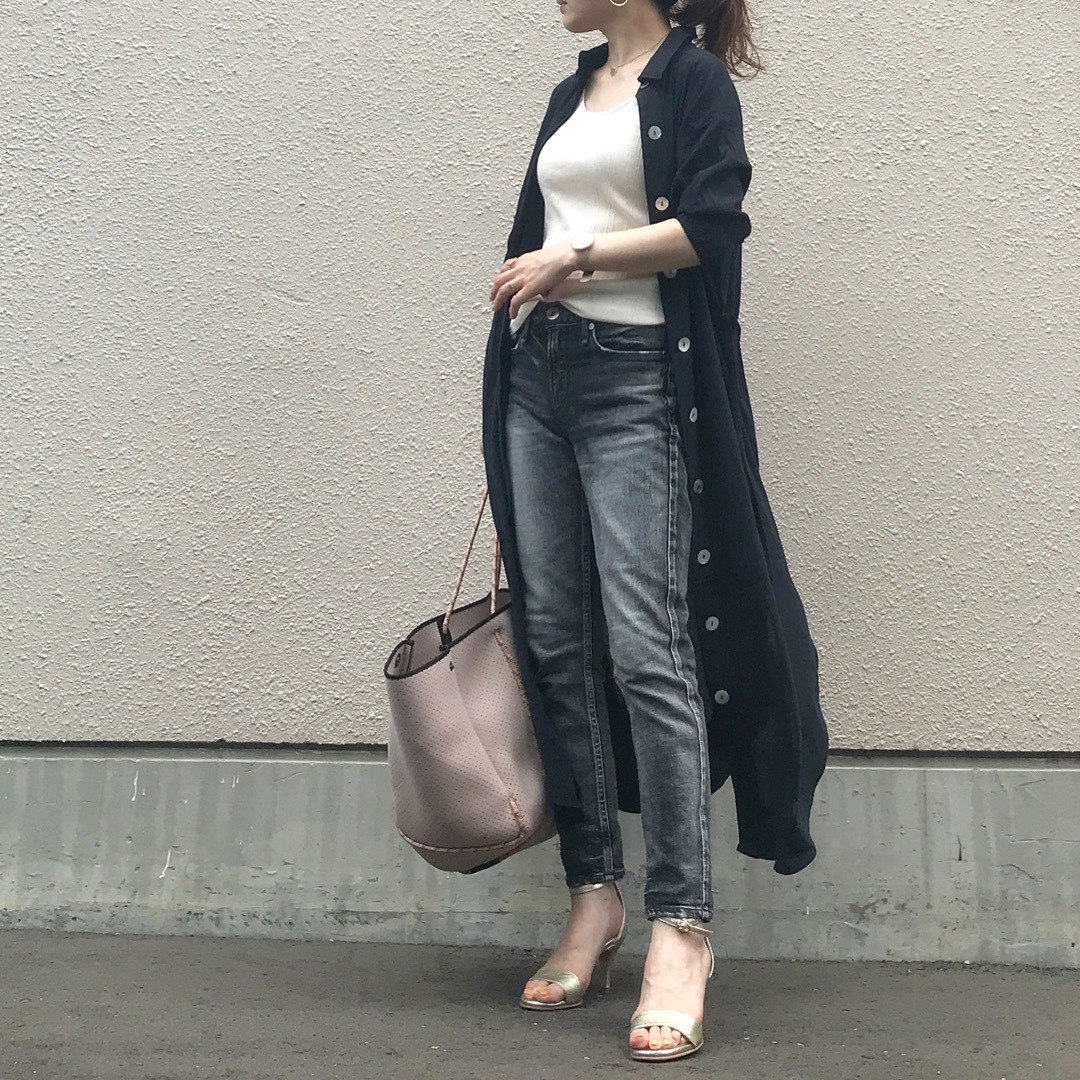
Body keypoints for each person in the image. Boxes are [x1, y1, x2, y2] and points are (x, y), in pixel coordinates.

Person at [482, 0, 828, 1062]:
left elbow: (710, 228)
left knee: (647, 650)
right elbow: (535, 236)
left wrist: (575, 259)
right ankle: (595, 899)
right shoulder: (570, 91)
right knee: (555, 640)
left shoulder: (693, 82)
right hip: (539, 379)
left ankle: (683, 928)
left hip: (638, 385)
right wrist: (538, 291)